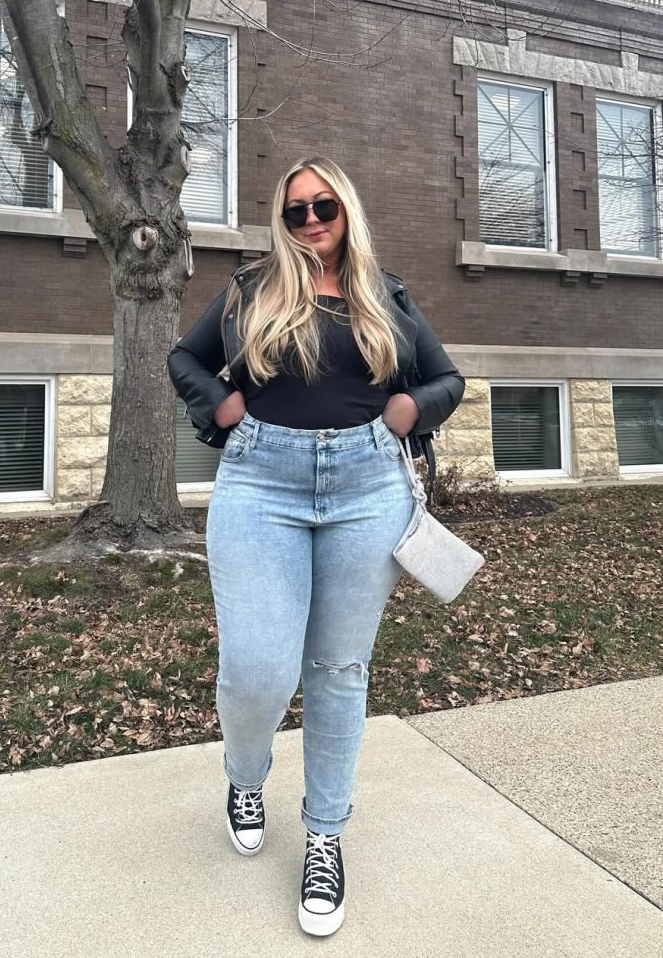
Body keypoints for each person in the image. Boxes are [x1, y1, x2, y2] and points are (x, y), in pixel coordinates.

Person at [167, 157, 464, 936]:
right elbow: (184, 357)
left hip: (367, 487)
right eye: (294, 211)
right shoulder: (251, 289)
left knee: (337, 671)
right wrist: (218, 404)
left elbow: (446, 379)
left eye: (322, 206)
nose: (308, 222)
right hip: (260, 482)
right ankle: (245, 776)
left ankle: (325, 836)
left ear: (345, 210)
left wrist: (410, 410)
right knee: (257, 668)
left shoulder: (385, 293)